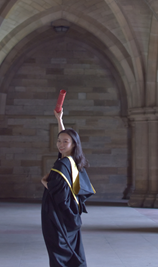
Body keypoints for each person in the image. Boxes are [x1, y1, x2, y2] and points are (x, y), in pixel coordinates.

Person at [41, 109, 95, 267]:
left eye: (65, 142)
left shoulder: (62, 165)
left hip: (58, 217)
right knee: (71, 251)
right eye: (59, 141)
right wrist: (60, 119)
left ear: (73, 144)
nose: (60, 144)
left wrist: (44, 182)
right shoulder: (74, 161)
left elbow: (59, 195)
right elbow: (65, 137)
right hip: (71, 215)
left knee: (59, 252)